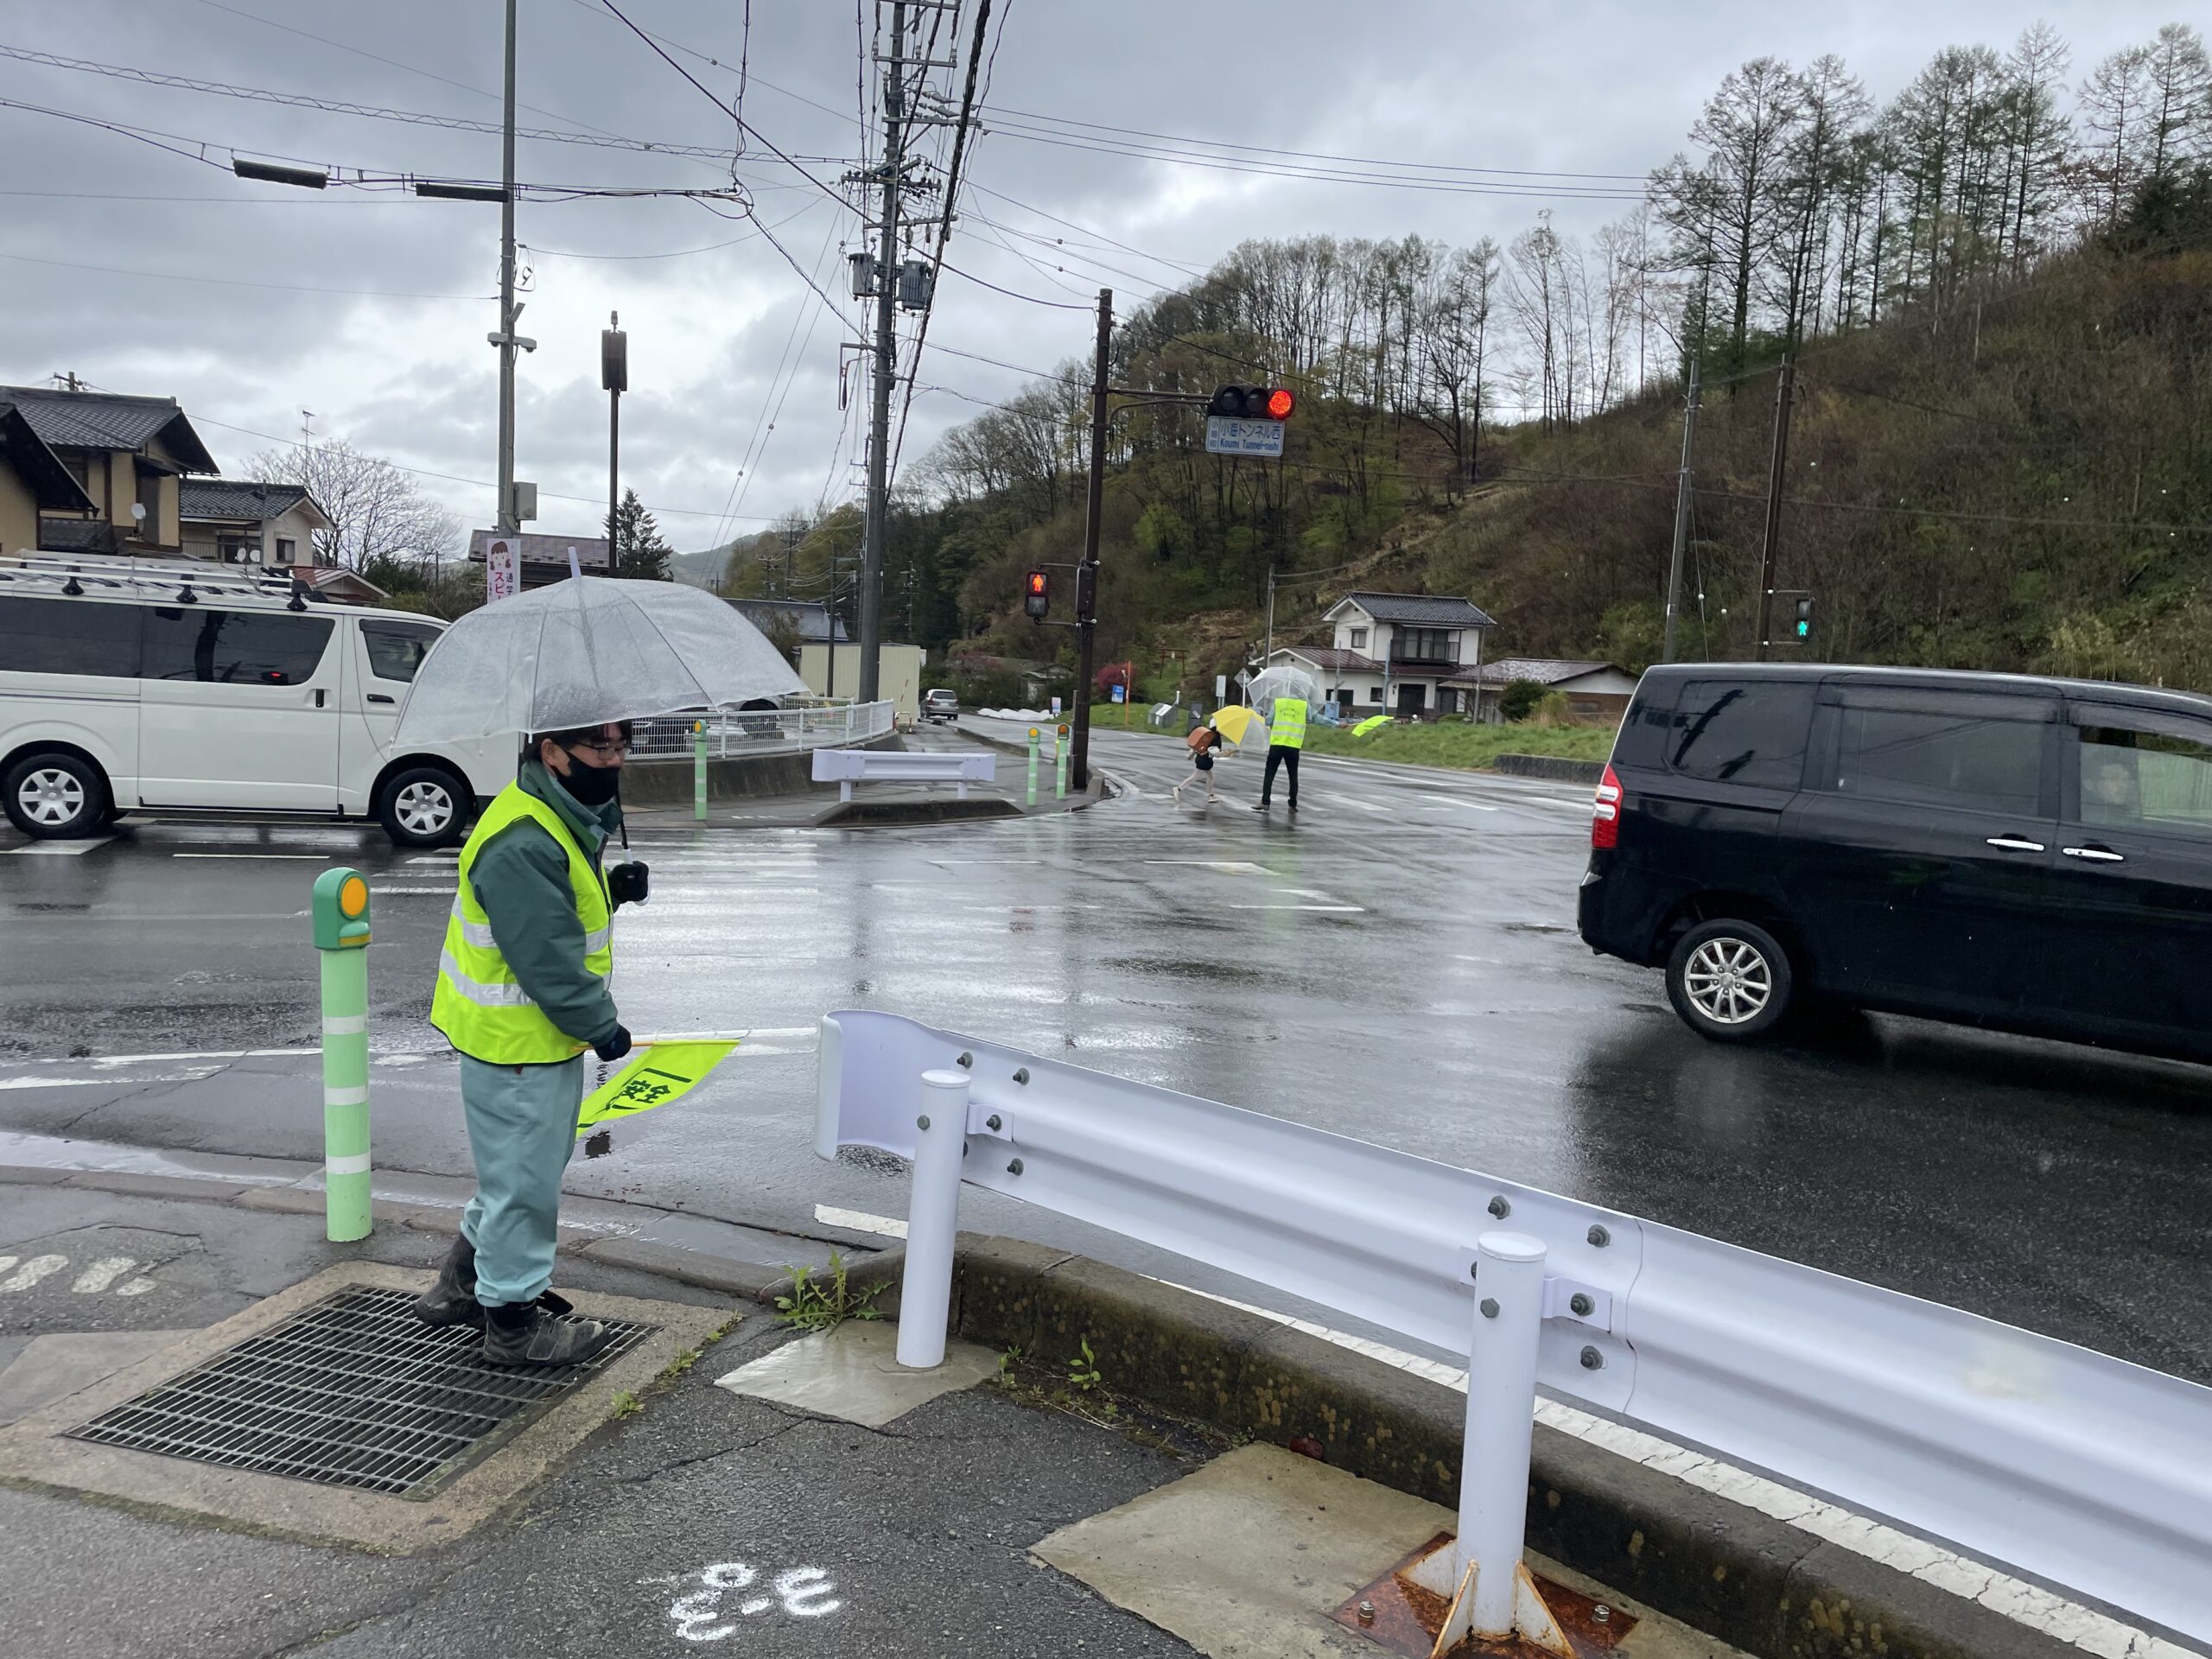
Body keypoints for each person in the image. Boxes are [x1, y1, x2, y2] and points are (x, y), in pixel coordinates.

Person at [416, 720, 645, 1366]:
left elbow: (552, 916)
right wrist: (600, 1025)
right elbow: (547, 960)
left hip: (516, 1044)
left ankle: (461, 1286)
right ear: (552, 751)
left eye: (621, 748)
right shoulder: (525, 840)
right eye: (601, 748)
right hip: (521, 1047)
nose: (614, 761)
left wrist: (612, 892)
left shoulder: (548, 814)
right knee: (524, 1186)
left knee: (512, 1174)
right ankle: (514, 1326)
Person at [1252, 692, 1308, 814]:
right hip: (1293, 746)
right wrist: (1337, 724)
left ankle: (1265, 802)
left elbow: (1268, 721)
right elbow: (1317, 718)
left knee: (1269, 774)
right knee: (1293, 776)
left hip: (1277, 745)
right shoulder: (1304, 705)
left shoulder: (1278, 703)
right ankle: (1292, 805)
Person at [1171, 722, 1224, 807]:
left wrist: (1191, 753)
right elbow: (1214, 751)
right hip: (1205, 759)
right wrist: (1226, 753)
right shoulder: (1216, 738)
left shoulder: (1208, 734)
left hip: (1201, 758)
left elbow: (1199, 744)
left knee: (1210, 776)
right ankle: (1178, 789)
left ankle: (1210, 795)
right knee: (1196, 776)